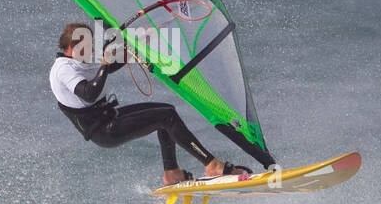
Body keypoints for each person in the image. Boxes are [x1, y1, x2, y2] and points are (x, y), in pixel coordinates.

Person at [49, 22, 251, 185]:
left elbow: (112, 64)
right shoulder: (63, 69)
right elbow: (89, 93)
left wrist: (143, 41)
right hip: (104, 131)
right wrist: (103, 64)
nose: (92, 49)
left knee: (167, 112)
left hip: (108, 118)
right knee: (166, 118)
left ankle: (172, 173)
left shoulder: (80, 59)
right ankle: (212, 164)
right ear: (71, 48)